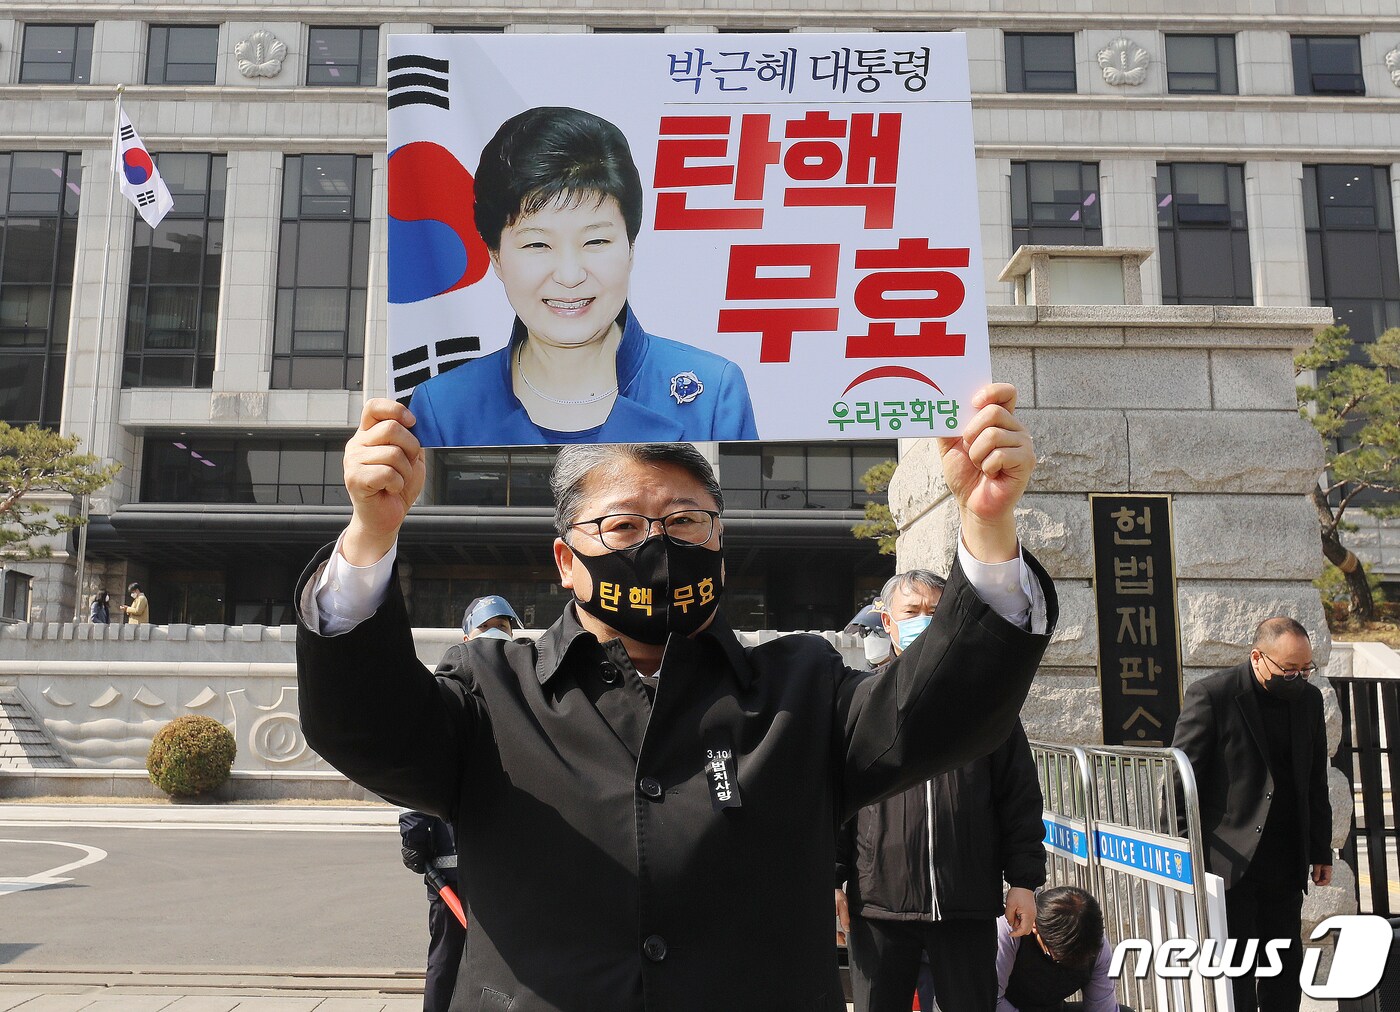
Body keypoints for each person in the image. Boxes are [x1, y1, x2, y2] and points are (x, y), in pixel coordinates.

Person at [296, 383, 1054, 1010]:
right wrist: (370, 533)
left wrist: (986, 527)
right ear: (566, 560)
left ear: (719, 542)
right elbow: (370, 730)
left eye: (686, 521)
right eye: (623, 525)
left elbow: (943, 716)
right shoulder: (493, 691)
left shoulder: (803, 690)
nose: (658, 543)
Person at [407, 106, 759, 447]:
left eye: (595, 241)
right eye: (538, 244)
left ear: (630, 247)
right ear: (496, 257)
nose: (570, 275)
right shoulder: (443, 409)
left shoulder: (712, 393)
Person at [836, 569, 1046, 1012]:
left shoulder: (985, 702)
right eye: (911, 612)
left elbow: (1019, 796)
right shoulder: (861, 701)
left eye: (935, 612)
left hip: (964, 904)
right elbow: (833, 802)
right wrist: (831, 880)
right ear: (888, 623)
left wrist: (1024, 881)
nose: (923, 621)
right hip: (878, 904)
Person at [1170, 616, 1333, 1012]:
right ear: (1258, 657)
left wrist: (1320, 850)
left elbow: (1315, 780)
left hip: (1286, 857)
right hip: (1229, 860)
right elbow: (1180, 781)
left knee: (1283, 964)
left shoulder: (1309, 701)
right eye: (1289, 669)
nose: (1297, 677)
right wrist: (1177, 854)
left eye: (1305, 669)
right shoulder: (1213, 695)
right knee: (1236, 968)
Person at [399, 596, 523, 1012]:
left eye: (505, 627)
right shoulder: (450, 691)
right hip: (452, 867)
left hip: (501, 863)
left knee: (506, 965)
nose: (498, 636)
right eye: (489, 628)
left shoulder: (522, 692)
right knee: (449, 959)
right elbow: (425, 772)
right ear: (466, 636)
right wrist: (415, 837)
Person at [996, 886, 1123, 1012]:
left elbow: (1103, 1008)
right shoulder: (1008, 930)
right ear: (1035, 927)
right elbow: (992, 1000)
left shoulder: (1095, 946)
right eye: (1060, 958)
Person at [400, 810, 464, 1012]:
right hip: (451, 881)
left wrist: (413, 840)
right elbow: (413, 792)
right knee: (446, 959)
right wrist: (414, 839)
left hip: (470, 874)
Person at [844, 599, 891, 670]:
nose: (871, 636)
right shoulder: (864, 677)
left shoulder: (907, 672)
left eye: (880, 631)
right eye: (865, 630)